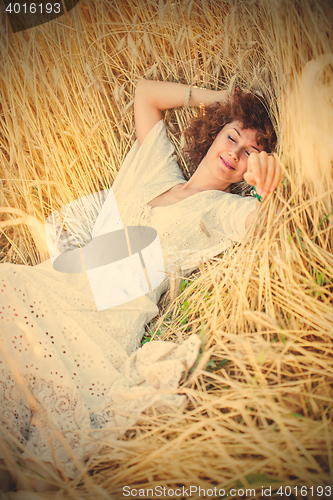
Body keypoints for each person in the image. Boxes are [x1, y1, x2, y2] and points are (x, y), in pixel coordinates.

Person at [0, 79, 281, 492]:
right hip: (53, 282)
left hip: (107, 323)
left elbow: (266, 225)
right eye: (231, 137)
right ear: (214, 133)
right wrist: (226, 102)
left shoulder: (223, 210)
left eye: (248, 153)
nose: (234, 153)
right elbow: (146, 94)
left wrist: (264, 188)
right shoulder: (156, 170)